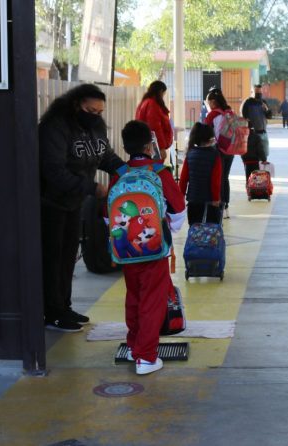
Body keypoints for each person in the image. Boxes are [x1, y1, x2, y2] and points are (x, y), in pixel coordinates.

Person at [38, 83, 125, 332]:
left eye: (100, 112)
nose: (96, 116)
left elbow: (104, 155)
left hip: (74, 202)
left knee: (67, 258)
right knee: (51, 259)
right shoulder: (54, 128)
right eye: (91, 110)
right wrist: (90, 187)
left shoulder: (94, 127)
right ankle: (51, 312)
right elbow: (53, 171)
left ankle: (64, 306)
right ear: (76, 105)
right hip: (50, 203)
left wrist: (126, 171)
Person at [109, 120, 186, 375]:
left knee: (134, 296)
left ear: (126, 146)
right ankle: (146, 357)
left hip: (127, 251)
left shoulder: (119, 175)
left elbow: (108, 216)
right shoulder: (159, 173)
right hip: (154, 249)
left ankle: (134, 345)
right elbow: (178, 210)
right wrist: (167, 231)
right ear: (148, 144)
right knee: (153, 300)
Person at [179, 123, 223, 225]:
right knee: (210, 232)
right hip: (209, 201)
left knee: (194, 231)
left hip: (193, 200)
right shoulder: (214, 155)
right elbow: (215, 181)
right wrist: (216, 199)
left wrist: (180, 196)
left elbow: (183, 179)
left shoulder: (190, 154)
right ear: (210, 138)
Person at [203, 89, 234, 219]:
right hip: (230, 150)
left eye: (208, 102)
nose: (208, 105)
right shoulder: (230, 112)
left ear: (213, 102)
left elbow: (204, 132)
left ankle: (218, 206)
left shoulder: (212, 115)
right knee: (225, 177)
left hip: (217, 150)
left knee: (217, 178)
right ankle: (226, 207)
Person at [135, 80, 173, 161]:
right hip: (153, 146)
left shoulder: (144, 102)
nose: (163, 96)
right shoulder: (152, 104)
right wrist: (160, 148)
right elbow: (155, 128)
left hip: (145, 145)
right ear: (160, 91)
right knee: (154, 171)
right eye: (163, 94)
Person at [240, 84, 272, 180]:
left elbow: (269, 116)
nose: (258, 93)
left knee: (264, 157)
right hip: (252, 135)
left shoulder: (263, 102)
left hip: (263, 133)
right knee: (252, 159)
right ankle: (251, 181)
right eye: (256, 91)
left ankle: (261, 180)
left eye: (260, 92)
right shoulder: (247, 102)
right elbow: (243, 118)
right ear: (251, 92)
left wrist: (267, 109)